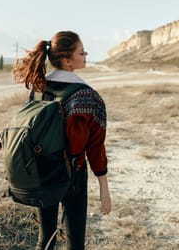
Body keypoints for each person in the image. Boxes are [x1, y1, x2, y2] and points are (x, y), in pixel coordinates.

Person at [12, 30, 111, 250]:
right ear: (67, 61)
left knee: (45, 239)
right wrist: (104, 186)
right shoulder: (87, 96)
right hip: (72, 174)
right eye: (81, 51)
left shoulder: (39, 88)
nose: (86, 54)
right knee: (75, 244)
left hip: (41, 170)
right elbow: (95, 147)